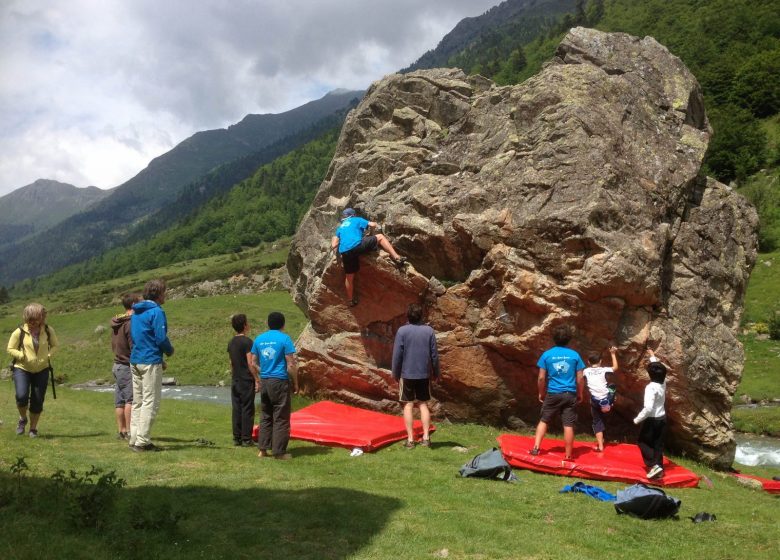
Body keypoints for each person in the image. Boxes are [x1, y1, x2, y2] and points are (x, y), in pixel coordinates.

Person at [128, 279, 174, 452]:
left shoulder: (136, 312)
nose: (166, 295)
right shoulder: (156, 312)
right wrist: (169, 351)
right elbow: (160, 338)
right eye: (164, 292)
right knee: (150, 401)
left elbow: (137, 336)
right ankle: (143, 441)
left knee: (137, 401)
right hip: (149, 360)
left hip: (136, 359)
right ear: (158, 294)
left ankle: (134, 438)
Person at [529, 324, 586, 460]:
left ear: (554, 338)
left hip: (553, 393)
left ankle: (536, 448)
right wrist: (580, 393)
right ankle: (568, 455)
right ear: (569, 339)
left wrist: (540, 392)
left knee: (544, 420)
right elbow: (580, 378)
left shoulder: (547, 355)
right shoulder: (575, 355)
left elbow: (541, 377)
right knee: (568, 424)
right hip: (569, 394)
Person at [330, 207, 407, 306]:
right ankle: (397, 258)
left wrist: (339, 253)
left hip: (345, 252)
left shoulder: (340, 228)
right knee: (380, 237)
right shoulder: (356, 219)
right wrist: (371, 233)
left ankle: (350, 300)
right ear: (353, 215)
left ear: (344, 218)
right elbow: (373, 224)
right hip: (357, 246)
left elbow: (334, 244)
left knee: (349, 277)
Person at [249, 312, 299, 460]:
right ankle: (279, 452)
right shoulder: (285, 339)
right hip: (279, 380)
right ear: (283, 324)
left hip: (265, 381)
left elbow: (252, 362)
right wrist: (296, 382)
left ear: (268, 324)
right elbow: (291, 364)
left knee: (265, 416)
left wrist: (261, 372)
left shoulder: (259, 339)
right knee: (281, 417)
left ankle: (262, 450)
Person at [392, 303, 440, 448]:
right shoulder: (429, 331)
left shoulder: (402, 331)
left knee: (408, 405)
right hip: (424, 374)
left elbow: (397, 355)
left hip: (407, 373)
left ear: (408, 315)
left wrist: (395, 372)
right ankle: (426, 438)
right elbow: (434, 355)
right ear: (421, 316)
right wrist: (436, 372)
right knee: (423, 404)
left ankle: (411, 440)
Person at [7, 303, 58, 438]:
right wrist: (21, 356)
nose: (34, 322)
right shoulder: (19, 332)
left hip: (42, 369)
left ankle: (33, 429)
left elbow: (55, 346)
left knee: (38, 400)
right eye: (31, 319)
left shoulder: (48, 330)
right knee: (21, 396)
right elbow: (10, 348)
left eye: (39, 318)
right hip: (22, 368)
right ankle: (23, 418)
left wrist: (48, 356)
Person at [110, 293, 141, 440]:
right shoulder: (130, 323)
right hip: (126, 365)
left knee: (120, 401)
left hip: (117, 364)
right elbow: (133, 345)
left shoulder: (118, 321)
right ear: (134, 305)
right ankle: (129, 431)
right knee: (131, 399)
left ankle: (121, 431)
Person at [634, 350, 668, 480]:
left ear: (649, 374)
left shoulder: (650, 387)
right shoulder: (663, 383)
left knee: (643, 442)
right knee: (658, 444)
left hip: (652, 420)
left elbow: (648, 408)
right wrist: (652, 357)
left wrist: (637, 419)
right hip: (662, 419)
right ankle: (658, 469)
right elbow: (659, 369)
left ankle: (654, 465)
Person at [228, 313, 259, 446]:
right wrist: (257, 379)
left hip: (235, 379)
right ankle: (247, 438)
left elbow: (231, 363)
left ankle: (237, 438)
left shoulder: (231, 342)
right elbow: (250, 363)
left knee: (236, 408)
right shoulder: (247, 342)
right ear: (245, 325)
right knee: (247, 408)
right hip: (246, 380)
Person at [583, 346, 619, 452]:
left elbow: (579, 376)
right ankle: (611, 401)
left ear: (588, 362)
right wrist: (613, 354)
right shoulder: (603, 370)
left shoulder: (586, 371)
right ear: (601, 361)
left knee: (596, 421)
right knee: (611, 386)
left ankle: (600, 446)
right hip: (605, 397)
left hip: (595, 401)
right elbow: (615, 367)